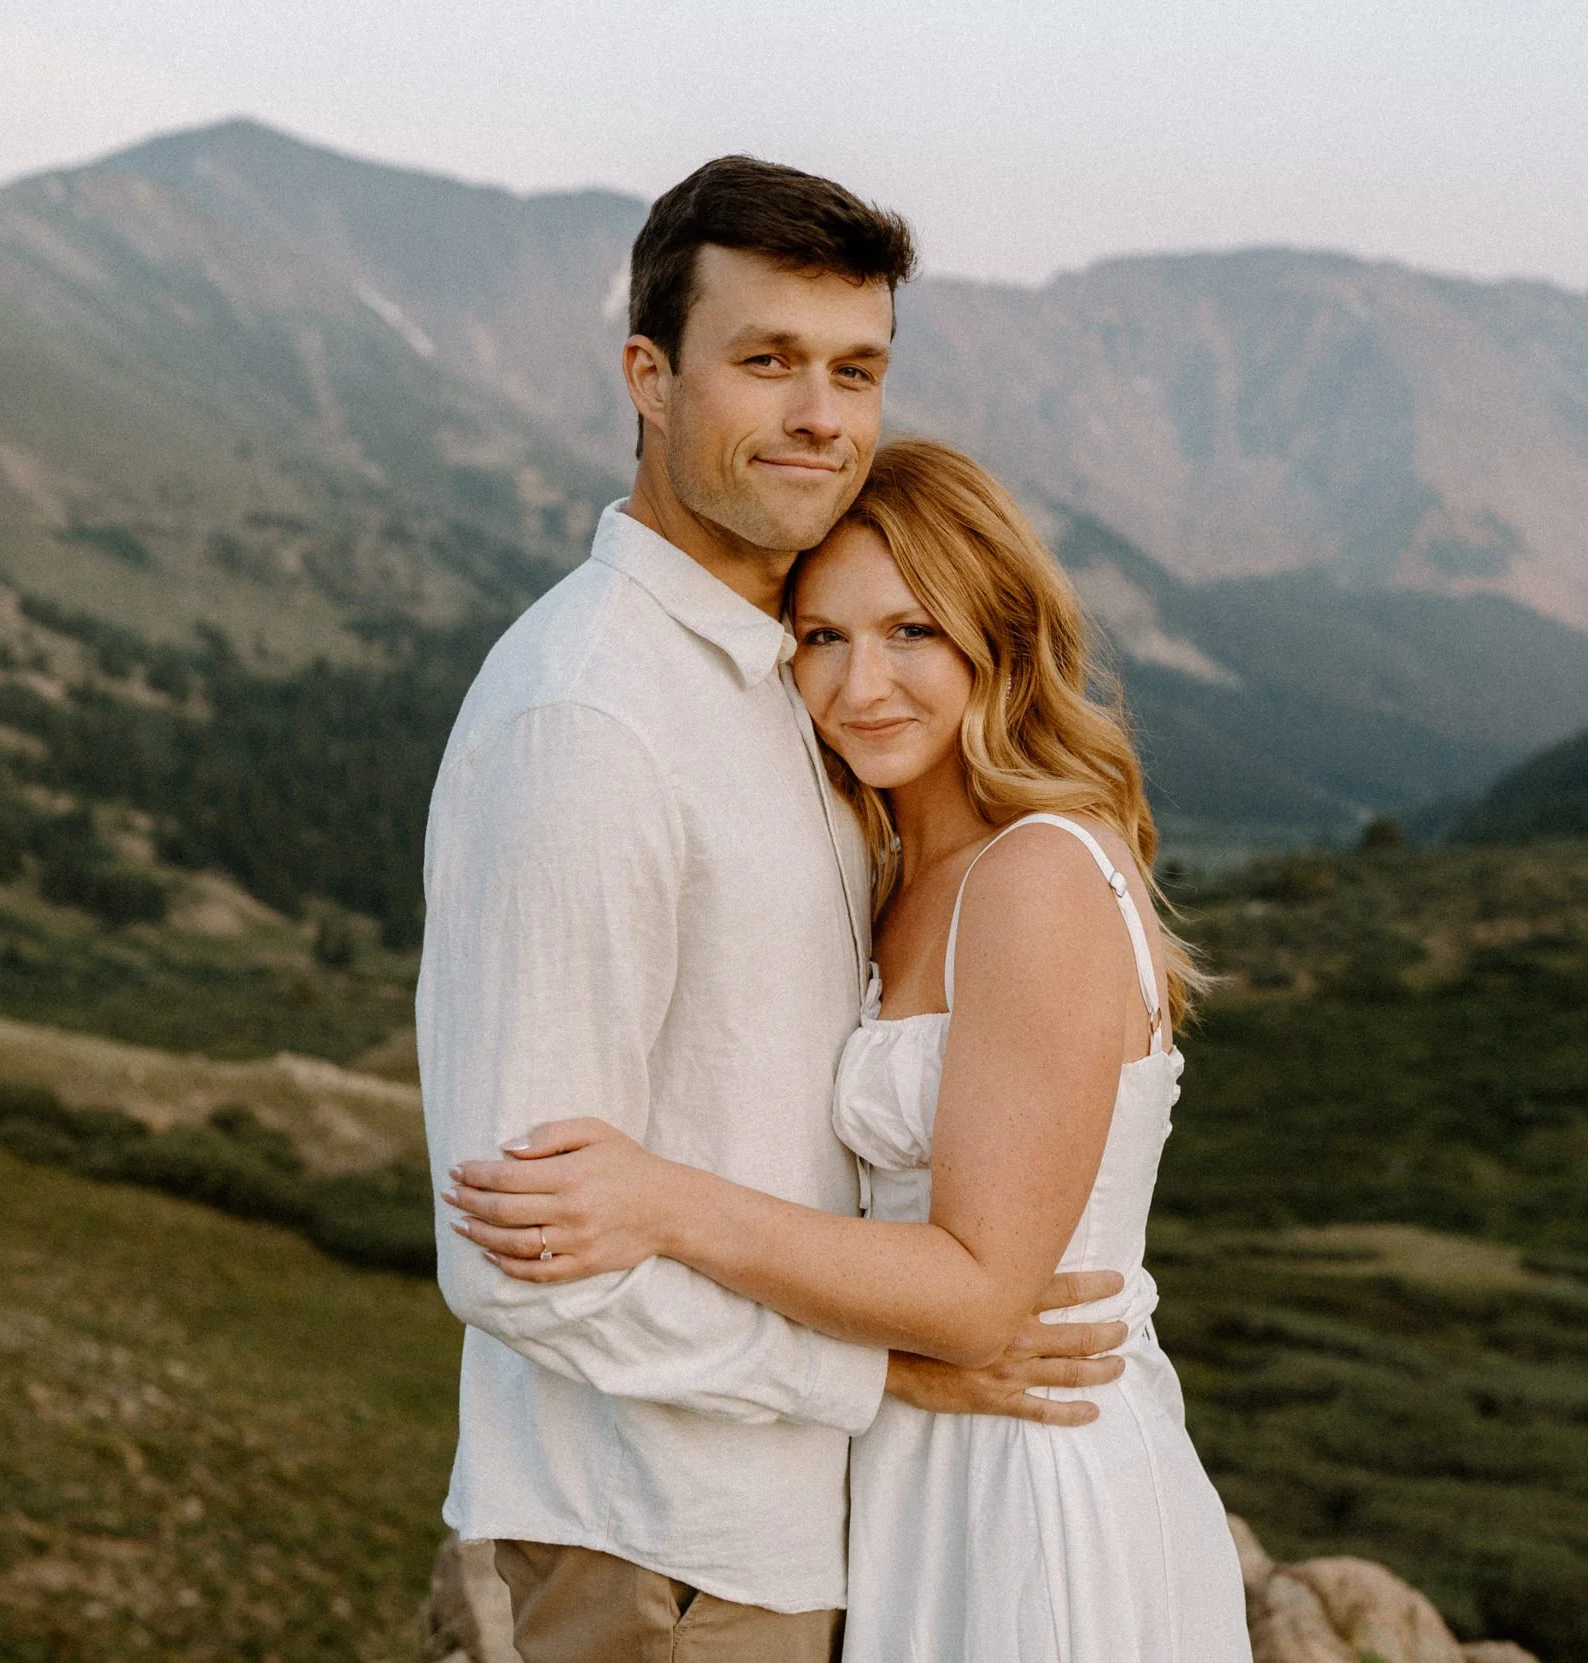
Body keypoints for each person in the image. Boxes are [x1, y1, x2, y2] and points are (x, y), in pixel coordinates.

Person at [417, 158, 1131, 1663]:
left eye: (854, 368)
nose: (820, 413)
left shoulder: (780, 683)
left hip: (795, 1532)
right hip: (665, 1544)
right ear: (650, 377)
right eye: (766, 361)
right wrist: (876, 1378)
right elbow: (510, 1252)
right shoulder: (591, 719)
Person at [448, 437, 1257, 1662]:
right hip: (903, 1475)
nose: (859, 683)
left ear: (999, 636)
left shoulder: (1035, 872)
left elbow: (983, 1292)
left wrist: (663, 1199)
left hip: (1027, 1466)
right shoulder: (892, 868)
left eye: (910, 632)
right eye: (821, 637)